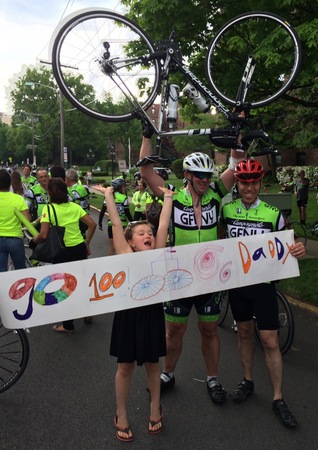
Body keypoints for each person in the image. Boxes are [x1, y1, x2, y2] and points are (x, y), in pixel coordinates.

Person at [139, 131, 247, 404]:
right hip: (179, 278)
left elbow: (235, 165)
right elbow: (146, 170)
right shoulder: (172, 196)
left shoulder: (214, 194)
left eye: (208, 175)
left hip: (209, 277)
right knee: (174, 331)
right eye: (199, 175)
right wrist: (147, 135)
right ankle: (168, 374)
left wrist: (239, 131)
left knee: (209, 330)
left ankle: (213, 378)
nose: (205, 180)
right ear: (187, 175)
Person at [219, 158, 305, 428]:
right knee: (243, 332)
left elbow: (287, 244)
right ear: (238, 183)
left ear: (260, 184)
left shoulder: (272, 213)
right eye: (244, 181)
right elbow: (220, 238)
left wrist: (298, 249)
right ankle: (247, 381)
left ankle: (278, 398)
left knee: (269, 340)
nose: (249, 186)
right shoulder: (228, 210)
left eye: (254, 182)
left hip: (263, 287)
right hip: (237, 285)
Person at [94, 183, 175, 442]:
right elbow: (117, 225)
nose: (147, 235)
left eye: (148, 232)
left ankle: (155, 409)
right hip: (127, 316)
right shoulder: (125, 253)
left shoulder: (158, 252)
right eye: (141, 233)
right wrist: (108, 196)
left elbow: (163, 225)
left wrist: (169, 197)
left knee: (153, 365)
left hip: (152, 315)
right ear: (130, 241)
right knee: (125, 367)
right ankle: (121, 414)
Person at [31, 177, 97, 333]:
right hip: (79, 248)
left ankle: (68, 325)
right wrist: (86, 243)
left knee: (66, 287)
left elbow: (44, 235)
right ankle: (88, 313)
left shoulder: (49, 209)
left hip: (62, 252)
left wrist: (34, 239)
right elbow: (92, 224)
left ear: (50, 193)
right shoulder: (74, 206)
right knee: (81, 282)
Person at [0, 169, 31, 272]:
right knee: (20, 272)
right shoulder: (18, 199)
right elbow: (27, 219)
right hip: (15, 238)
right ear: (9, 183)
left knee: (1, 273)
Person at [99, 178, 133, 255]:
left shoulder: (108, 196)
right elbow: (127, 213)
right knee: (123, 248)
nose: (125, 188)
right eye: (124, 186)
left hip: (111, 225)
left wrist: (100, 222)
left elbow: (102, 211)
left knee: (111, 248)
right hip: (122, 225)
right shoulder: (124, 198)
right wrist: (133, 222)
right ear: (119, 187)